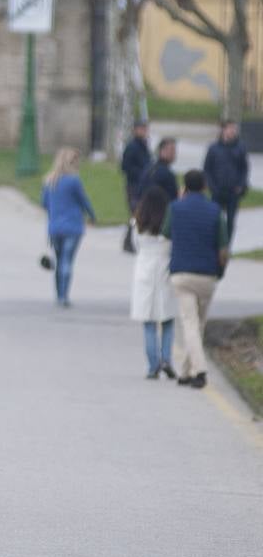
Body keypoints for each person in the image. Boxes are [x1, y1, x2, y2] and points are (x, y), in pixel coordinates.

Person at [164, 169, 229, 389]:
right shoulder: (215, 211)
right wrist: (220, 271)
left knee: (190, 323)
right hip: (207, 276)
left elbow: (166, 232)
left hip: (182, 273)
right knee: (198, 324)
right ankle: (186, 372)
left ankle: (199, 370)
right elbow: (223, 248)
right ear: (204, 187)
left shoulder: (175, 208)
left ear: (184, 186)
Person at [130, 187, 177, 380]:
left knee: (148, 320)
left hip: (145, 270)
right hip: (165, 268)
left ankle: (152, 365)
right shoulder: (170, 224)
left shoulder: (137, 223)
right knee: (167, 318)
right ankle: (166, 358)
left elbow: (135, 246)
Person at [40, 147, 97, 308]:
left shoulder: (49, 180)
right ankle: (64, 295)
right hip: (72, 226)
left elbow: (43, 203)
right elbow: (83, 201)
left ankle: (58, 294)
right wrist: (92, 215)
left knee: (58, 261)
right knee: (67, 261)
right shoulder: (74, 181)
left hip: (55, 227)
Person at [203, 119, 250, 244]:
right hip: (217, 190)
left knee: (230, 221)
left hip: (233, 191)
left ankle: (226, 246)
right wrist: (212, 186)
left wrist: (241, 185)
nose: (232, 131)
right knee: (215, 219)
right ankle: (214, 244)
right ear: (223, 129)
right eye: (230, 128)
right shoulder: (213, 148)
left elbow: (244, 168)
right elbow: (207, 169)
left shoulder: (240, 147)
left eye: (234, 129)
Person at [119, 119, 152, 253]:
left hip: (142, 185)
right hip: (133, 185)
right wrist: (141, 173)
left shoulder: (144, 146)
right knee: (136, 213)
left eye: (145, 129)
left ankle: (130, 241)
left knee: (138, 214)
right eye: (142, 129)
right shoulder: (132, 147)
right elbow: (125, 167)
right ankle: (128, 241)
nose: (144, 132)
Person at [140, 137, 179, 204]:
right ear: (162, 151)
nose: (174, 153)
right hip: (160, 210)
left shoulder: (149, 167)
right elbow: (174, 198)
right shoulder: (166, 173)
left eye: (175, 150)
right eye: (172, 150)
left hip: (145, 209)